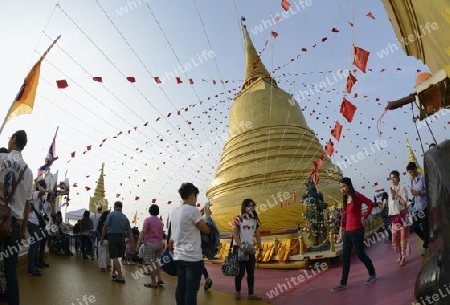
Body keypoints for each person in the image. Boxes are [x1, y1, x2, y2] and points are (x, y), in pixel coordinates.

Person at [0, 130, 33, 304]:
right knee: (11, 271)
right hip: (15, 225)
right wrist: (23, 230)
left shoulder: (2, 159)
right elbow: (27, 205)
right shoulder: (28, 171)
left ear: (13, 140)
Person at [331, 177, 377, 292]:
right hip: (347, 232)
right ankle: (343, 283)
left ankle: (372, 273)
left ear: (349, 185)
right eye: (340, 187)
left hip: (357, 231)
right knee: (345, 258)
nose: (342, 189)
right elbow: (343, 215)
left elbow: (371, 204)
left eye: (344, 186)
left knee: (360, 254)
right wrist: (341, 230)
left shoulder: (357, 196)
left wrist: (364, 217)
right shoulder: (345, 198)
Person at [171, 182, 211, 305]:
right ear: (192, 195)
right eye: (196, 197)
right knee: (191, 291)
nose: (196, 200)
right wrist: (208, 216)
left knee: (181, 287)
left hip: (178, 256)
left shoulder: (175, 211)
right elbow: (206, 230)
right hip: (192, 257)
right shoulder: (193, 211)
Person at [232, 199, 263, 300]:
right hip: (239, 248)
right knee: (240, 273)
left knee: (251, 272)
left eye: (252, 206)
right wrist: (241, 247)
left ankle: (251, 293)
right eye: (249, 206)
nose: (251, 208)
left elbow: (257, 235)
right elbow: (235, 234)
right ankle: (237, 291)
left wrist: (260, 249)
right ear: (244, 208)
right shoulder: (238, 219)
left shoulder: (254, 221)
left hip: (249, 249)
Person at [100, 201, 134, 283]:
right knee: (117, 256)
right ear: (121, 207)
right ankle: (114, 273)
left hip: (112, 237)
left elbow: (105, 227)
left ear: (114, 206)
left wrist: (102, 237)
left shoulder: (111, 214)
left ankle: (121, 276)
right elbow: (129, 232)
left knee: (114, 257)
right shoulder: (125, 217)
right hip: (122, 238)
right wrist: (133, 243)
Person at [139, 204, 164, 288]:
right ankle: (159, 279)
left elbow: (143, 232)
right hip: (159, 244)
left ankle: (153, 282)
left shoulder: (147, 220)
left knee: (150, 264)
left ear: (150, 211)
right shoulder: (161, 222)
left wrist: (138, 244)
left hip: (150, 244)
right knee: (156, 262)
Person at [387, 170, 410, 267]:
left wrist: (396, 196)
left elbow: (404, 203)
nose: (392, 180)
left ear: (398, 178)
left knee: (403, 236)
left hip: (402, 215)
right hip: (395, 216)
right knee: (395, 237)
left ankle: (404, 257)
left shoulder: (402, 188)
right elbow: (390, 204)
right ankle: (400, 255)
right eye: (391, 178)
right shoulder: (390, 190)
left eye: (394, 177)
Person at [406, 162, 429, 256]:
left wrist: (418, 193)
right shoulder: (412, 180)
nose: (411, 173)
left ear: (415, 169)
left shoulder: (423, 178)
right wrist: (413, 192)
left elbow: (427, 191)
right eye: (409, 172)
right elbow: (413, 191)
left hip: (424, 205)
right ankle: (426, 239)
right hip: (416, 207)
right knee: (415, 226)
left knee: (425, 226)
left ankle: (425, 246)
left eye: (411, 171)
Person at [27, 179, 48, 276]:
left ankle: (34, 265)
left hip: (37, 223)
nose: (45, 188)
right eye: (44, 186)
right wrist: (38, 184)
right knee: (33, 246)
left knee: (36, 246)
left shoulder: (41, 197)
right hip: (32, 223)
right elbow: (42, 191)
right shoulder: (34, 194)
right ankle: (31, 269)